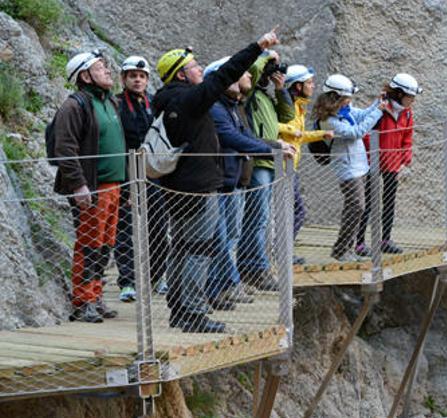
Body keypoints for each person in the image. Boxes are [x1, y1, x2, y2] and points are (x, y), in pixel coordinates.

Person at [152, 28, 280, 333]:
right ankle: (193, 313)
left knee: (182, 247)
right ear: (181, 76)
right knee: (198, 249)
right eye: (194, 66)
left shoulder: (167, 99)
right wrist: (258, 47)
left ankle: (179, 310)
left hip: (178, 186)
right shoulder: (190, 100)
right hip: (197, 187)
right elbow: (225, 74)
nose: (199, 69)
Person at [52, 50, 126, 323]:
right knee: (89, 244)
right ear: (85, 75)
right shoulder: (75, 106)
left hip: (114, 186)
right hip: (92, 189)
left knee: (105, 245)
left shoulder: (110, 102)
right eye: (100, 67)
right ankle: (83, 301)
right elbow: (65, 148)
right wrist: (79, 185)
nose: (107, 71)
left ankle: (95, 295)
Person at [204, 56, 275, 309]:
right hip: (221, 180)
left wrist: (276, 146)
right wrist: (272, 152)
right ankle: (223, 285)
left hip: (234, 178)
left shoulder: (232, 106)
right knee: (221, 237)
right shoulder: (216, 108)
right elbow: (231, 137)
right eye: (240, 73)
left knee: (230, 235)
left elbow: (246, 136)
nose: (247, 77)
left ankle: (224, 285)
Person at [238, 51, 296, 288]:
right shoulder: (249, 92)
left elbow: (288, 115)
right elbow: (250, 72)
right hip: (259, 162)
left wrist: (281, 90)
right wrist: (265, 55)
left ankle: (255, 265)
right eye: (269, 69)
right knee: (257, 218)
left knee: (263, 218)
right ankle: (254, 267)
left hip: (271, 161)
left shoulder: (265, 96)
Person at [312, 74, 384, 262]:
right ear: (335, 98)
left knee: (354, 208)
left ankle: (347, 248)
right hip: (347, 169)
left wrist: (378, 103)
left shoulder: (345, 111)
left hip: (359, 165)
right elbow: (356, 132)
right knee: (357, 206)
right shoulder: (329, 121)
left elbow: (360, 115)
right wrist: (378, 113)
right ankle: (340, 249)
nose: (349, 101)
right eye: (346, 98)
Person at [358, 73, 422, 255]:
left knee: (389, 202)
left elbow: (407, 137)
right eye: (411, 97)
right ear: (400, 94)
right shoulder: (380, 108)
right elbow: (366, 132)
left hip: (393, 163)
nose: (413, 101)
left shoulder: (407, 113)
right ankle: (359, 242)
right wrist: (371, 153)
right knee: (368, 202)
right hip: (373, 163)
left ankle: (385, 239)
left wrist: (405, 156)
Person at [277, 65, 334, 264]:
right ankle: (282, 252)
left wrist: (320, 134)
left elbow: (298, 137)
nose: (313, 86)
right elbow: (272, 126)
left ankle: (283, 251)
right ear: (298, 86)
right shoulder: (287, 107)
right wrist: (290, 130)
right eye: (309, 82)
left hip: (291, 167)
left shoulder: (299, 106)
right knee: (295, 211)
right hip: (282, 168)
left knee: (293, 211)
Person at [113, 55, 153, 303]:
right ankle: (127, 281)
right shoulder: (116, 104)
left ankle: (156, 276)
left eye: (141, 76)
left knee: (158, 226)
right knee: (124, 229)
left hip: (151, 172)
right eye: (132, 76)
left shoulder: (152, 104)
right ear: (124, 79)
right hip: (126, 174)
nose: (137, 80)